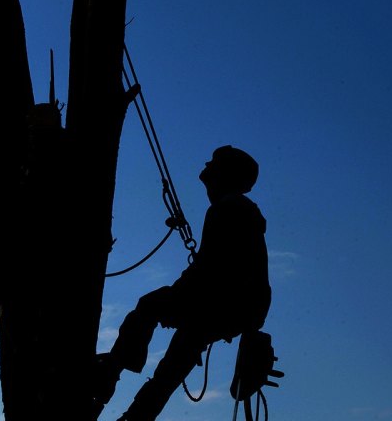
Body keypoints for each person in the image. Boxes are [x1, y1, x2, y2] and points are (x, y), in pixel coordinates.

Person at [92, 145, 272, 421]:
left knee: (149, 306)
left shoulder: (227, 209)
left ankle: (109, 375)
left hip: (224, 301)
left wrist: (176, 299)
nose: (205, 169)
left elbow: (210, 269)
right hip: (241, 307)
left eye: (212, 164)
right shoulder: (238, 209)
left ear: (224, 174)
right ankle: (135, 416)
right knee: (175, 363)